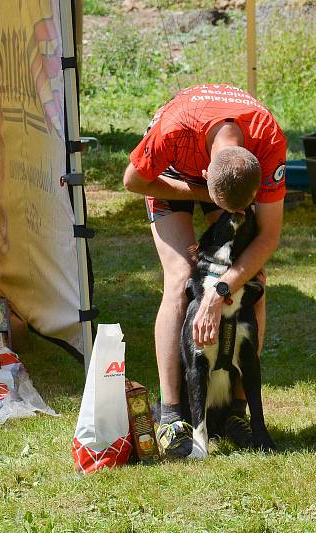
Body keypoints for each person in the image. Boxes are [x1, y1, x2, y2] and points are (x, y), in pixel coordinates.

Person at [123, 83, 287, 457]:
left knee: (254, 283)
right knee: (182, 278)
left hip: (216, 178)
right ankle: (172, 416)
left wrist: (226, 288)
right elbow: (132, 181)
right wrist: (200, 193)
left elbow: (268, 236)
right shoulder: (172, 130)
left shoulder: (269, 139)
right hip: (167, 176)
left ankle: (235, 413)